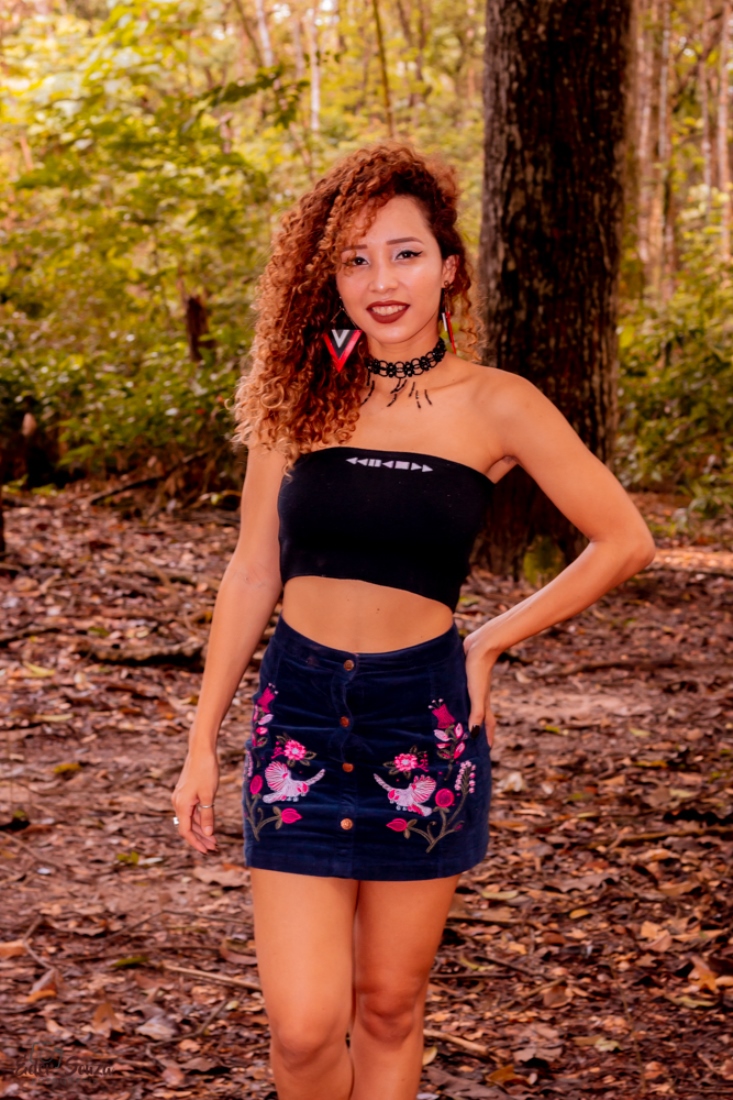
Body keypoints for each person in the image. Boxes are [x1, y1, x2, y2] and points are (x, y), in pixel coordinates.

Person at [171, 142, 655, 1100]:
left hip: (420, 719)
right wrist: (200, 740)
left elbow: (623, 540)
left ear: (449, 268)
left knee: (390, 1007)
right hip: (299, 711)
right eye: (354, 260)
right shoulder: (299, 397)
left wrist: (487, 639)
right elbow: (253, 568)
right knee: (304, 1030)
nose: (381, 282)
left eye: (404, 254)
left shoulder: (498, 403)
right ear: (329, 278)